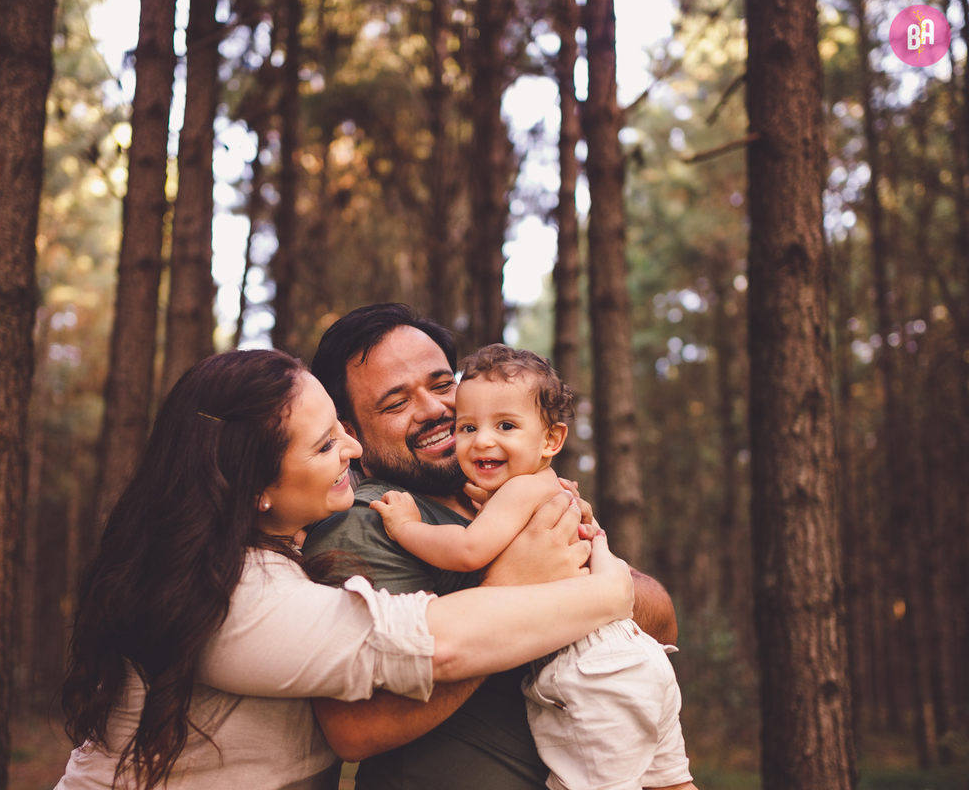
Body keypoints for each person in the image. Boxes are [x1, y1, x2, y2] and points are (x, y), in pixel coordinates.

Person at [56, 348, 635, 790]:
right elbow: (439, 646)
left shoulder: (257, 550)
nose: (353, 451)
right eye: (324, 445)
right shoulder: (235, 594)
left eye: (340, 429)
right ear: (256, 488)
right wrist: (605, 591)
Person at [304, 303, 680, 790]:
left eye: (443, 385)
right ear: (350, 432)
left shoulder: (503, 495)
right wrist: (517, 585)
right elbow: (355, 729)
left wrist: (590, 557)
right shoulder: (367, 522)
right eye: (396, 403)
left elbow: (658, 618)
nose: (434, 410)